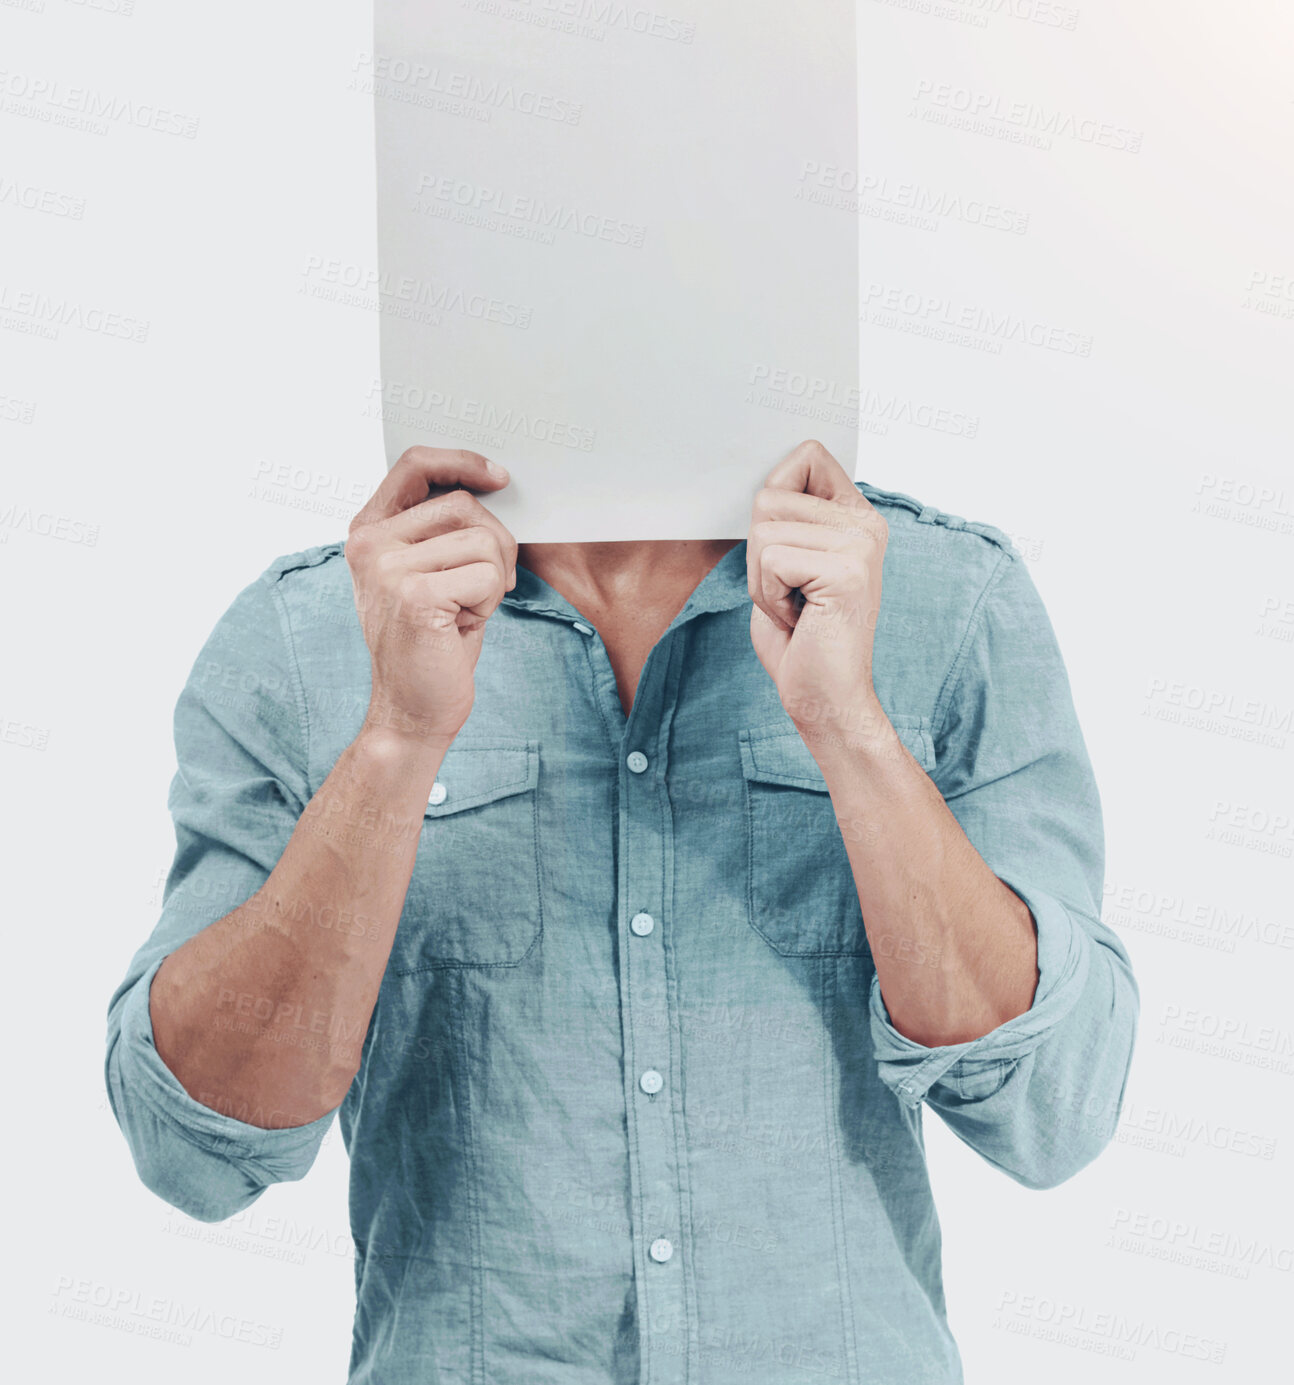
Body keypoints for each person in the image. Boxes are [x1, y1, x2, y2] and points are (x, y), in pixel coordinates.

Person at [105, 438, 1138, 1384]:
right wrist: (397, 739)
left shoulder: (949, 600)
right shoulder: (307, 633)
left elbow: (1048, 1110)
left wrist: (846, 726)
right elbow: (194, 1149)